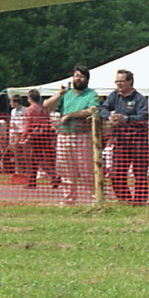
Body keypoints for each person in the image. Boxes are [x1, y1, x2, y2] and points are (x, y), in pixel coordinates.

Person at [47, 65, 100, 205]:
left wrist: (71, 115)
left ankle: (95, 199)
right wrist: (59, 94)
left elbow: (92, 110)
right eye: (76, 76)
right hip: (64, 135)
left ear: (87, 79)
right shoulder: (66, 94)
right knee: (66, 170)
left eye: (82, 76)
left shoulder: (91, 94)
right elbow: (47, 105)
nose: (78, 79)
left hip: (83, 135)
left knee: (86, 169)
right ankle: (68, 200)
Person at [100, 69, 149, 205]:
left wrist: (126, 119)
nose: (119, 84)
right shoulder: (114, 96)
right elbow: (102, 108)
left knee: (140, 175)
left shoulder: (139, 98)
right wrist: (109, 116)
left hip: (138, 142)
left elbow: (143, 116)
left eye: (122, 81)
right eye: (117, 81)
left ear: (130, 81)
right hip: (120, 141)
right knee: (116, 174)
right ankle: (125, 200)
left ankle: (140, 202)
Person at [21, 89, 56, 189]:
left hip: (35, 135)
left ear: (30, 98)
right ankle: (32, 181)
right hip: (46, 134)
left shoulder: (30, 109)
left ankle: (53, 175)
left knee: (37, 158)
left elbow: (28, 124)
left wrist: (24, 137)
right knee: (36, 158)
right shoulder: (44, 109)